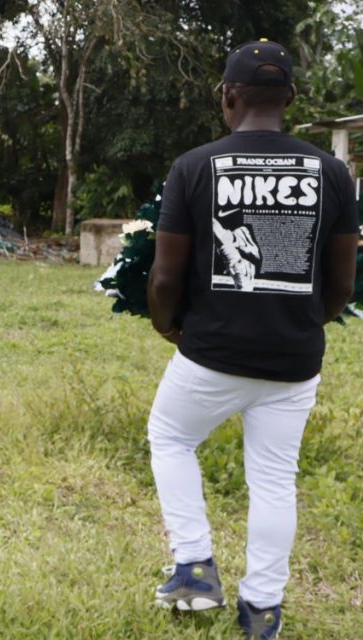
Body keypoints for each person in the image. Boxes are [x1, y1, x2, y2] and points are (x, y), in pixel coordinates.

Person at [146, 39, 358, 639]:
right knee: (273, 477)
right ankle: (262, 608)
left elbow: (165, 275)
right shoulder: (333, 172)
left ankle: (194, 568)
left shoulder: (194, 166)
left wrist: (167, 324)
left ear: (228, 97)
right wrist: (301, 323)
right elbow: (342, 284)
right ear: (290, 97)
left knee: (169, 436)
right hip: (294, 357)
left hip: (210, 351)